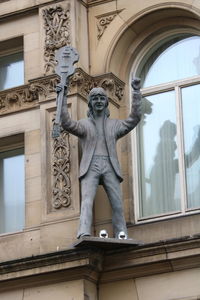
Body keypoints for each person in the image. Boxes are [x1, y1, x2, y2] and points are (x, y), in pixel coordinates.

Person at [58, 78, 141, 239]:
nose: (98, 101)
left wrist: (136, 92)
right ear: (90, 103)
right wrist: (62, 96)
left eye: (102, 98)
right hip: (91, 165)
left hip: (110, 165)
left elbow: (134, 118)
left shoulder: (115, 125)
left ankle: (121, 232)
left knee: (117, 203)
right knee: (87, 201)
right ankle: (83, 231)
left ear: (106, 102)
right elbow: (66, 122)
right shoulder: (84, 124)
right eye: (95, 98)